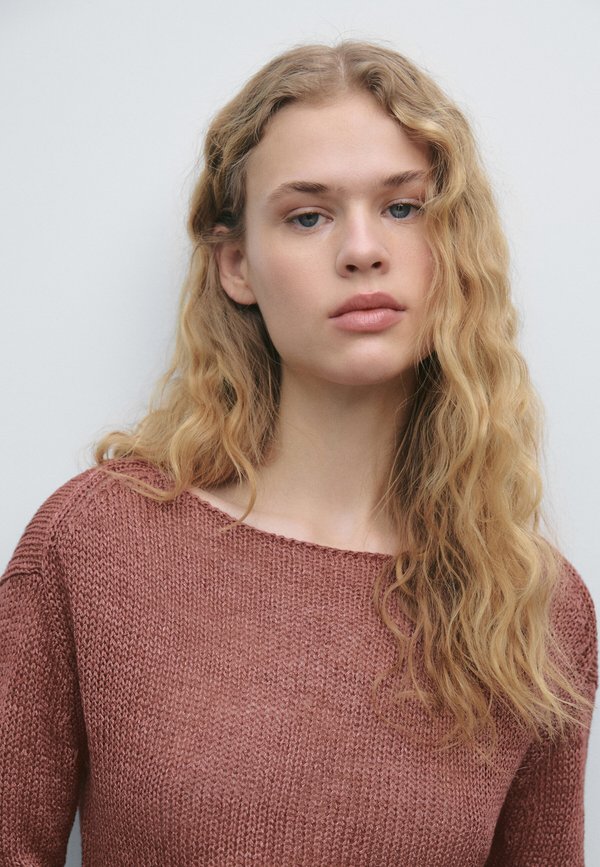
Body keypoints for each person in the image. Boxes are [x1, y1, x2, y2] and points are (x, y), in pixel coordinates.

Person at [0, 39, 597, 867]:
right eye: (308, 216)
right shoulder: (96, 545)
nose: (362, 249)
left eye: (404, 208)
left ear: (456, 246)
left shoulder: (535, 607)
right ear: (237, 265)